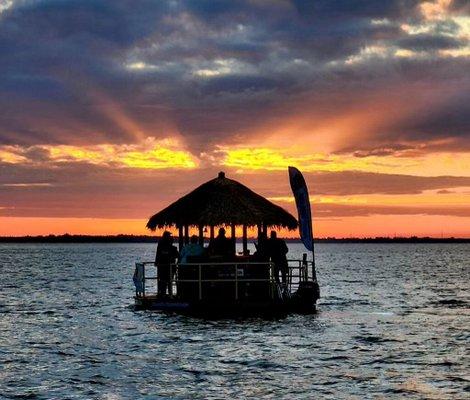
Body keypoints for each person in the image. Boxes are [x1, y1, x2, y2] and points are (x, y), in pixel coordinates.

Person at [155, 231, 178, 296]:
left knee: (163, 281)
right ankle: (168, 294)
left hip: (163, 266)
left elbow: (158, 254)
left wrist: (156, 262)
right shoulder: (172, 248)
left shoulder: (160, 245)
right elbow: (177, 255)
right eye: (169, 236)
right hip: (167, 266)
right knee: (168, 281)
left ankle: (162, 293)